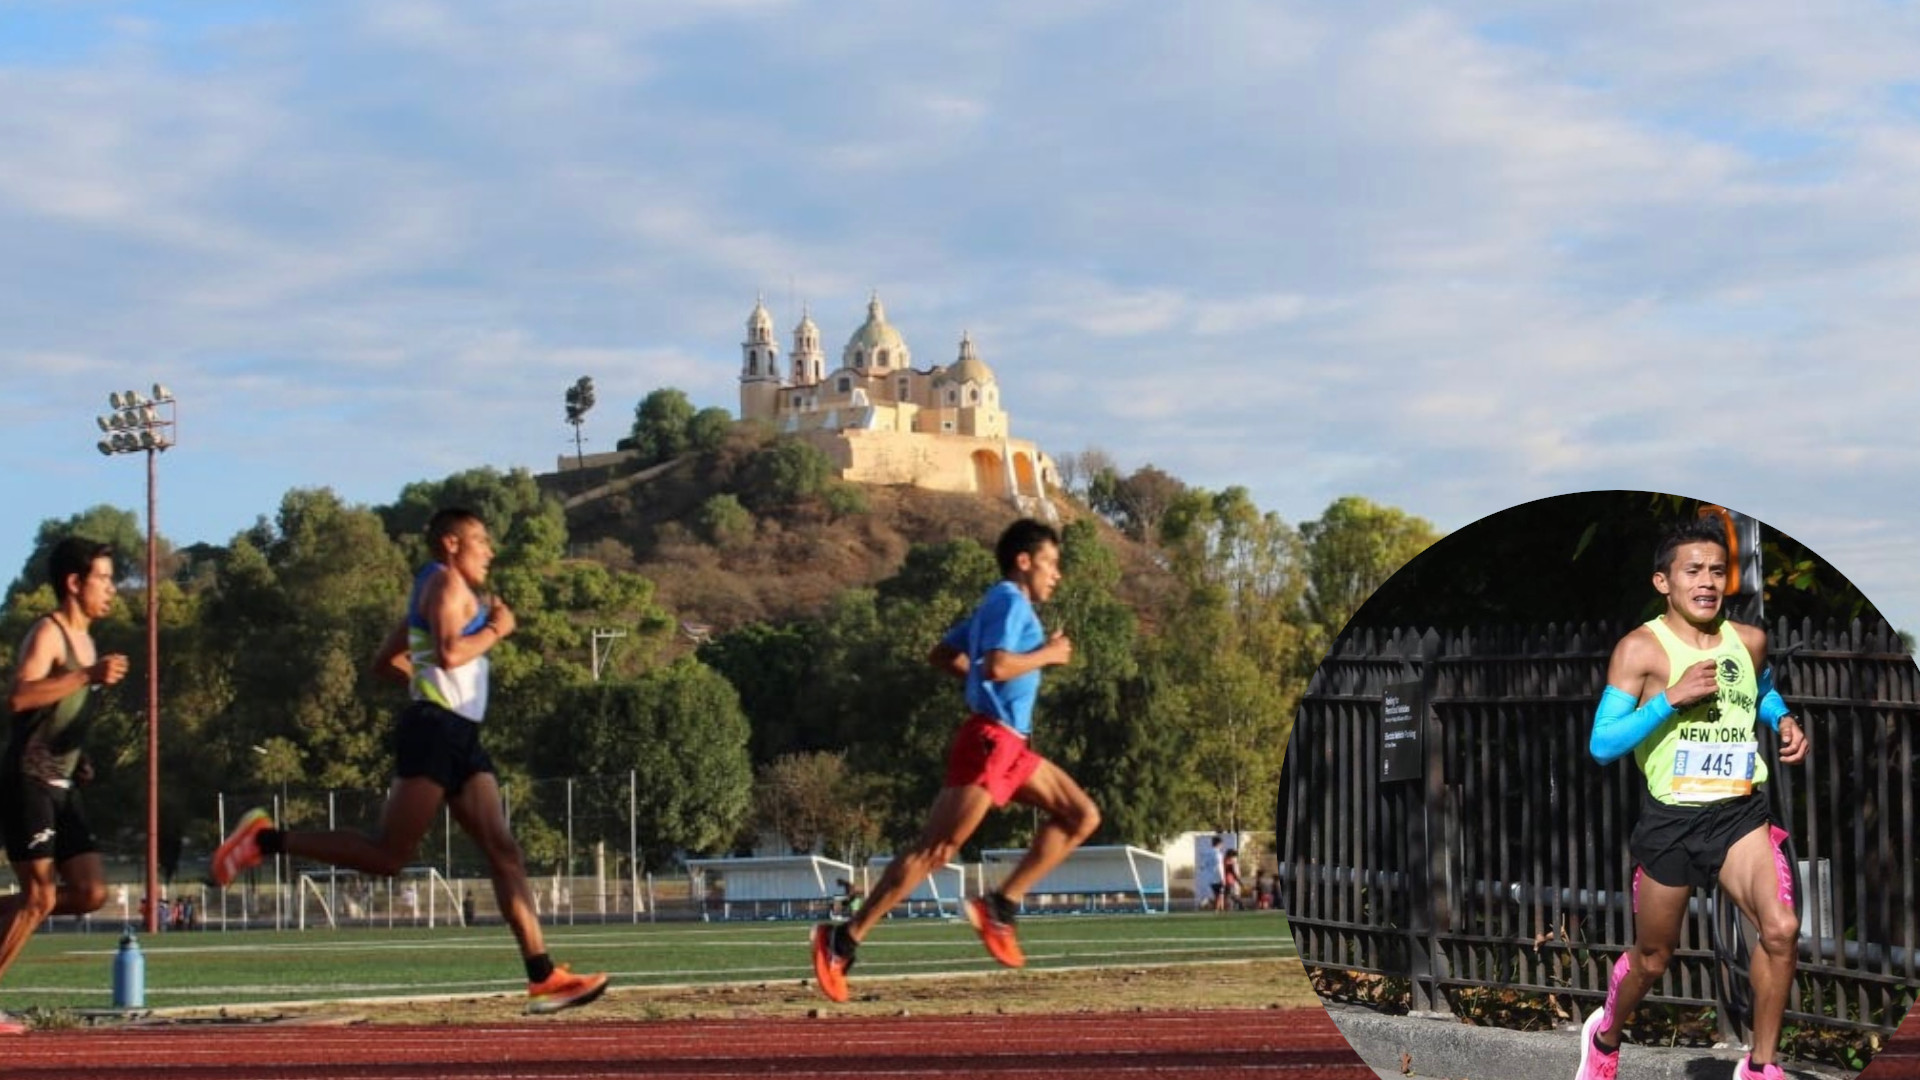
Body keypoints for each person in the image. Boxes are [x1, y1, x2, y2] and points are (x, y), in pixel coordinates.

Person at [211, 508, 608, 1014]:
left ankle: (543, 975)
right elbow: (447, 654)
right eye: (480, 540)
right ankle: (264, 840)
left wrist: (430, 687)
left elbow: (388, 663)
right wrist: (497, 631)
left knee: (504, 851)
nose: (489, 551)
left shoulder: (435, 591)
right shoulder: (444, 586)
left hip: (457, 732)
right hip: (436, 730)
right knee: (388, 856)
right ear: (450, 543)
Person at [810, 518, 1099, 1003]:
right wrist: (1048, 655)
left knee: (1080, 815)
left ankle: (1001, 906)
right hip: (990, 741)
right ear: (1023, 562)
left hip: (1010, 745)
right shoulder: (1008, 599)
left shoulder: (999, 603)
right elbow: (1000, 664)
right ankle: (842, 940)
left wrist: (978, 685)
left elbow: (944, 653)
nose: (1058, 574)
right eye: (1051, 563)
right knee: (933, 852)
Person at [1575, 518, 1808, 1080]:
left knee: (1780, 929)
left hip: (1739, 813)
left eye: (1717, 571)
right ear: (1664, 582)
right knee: (1654, 959)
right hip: (1672, 820)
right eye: (1693, 571)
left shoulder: (1748, 640)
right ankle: (1605, 1038)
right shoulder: (1640, 649)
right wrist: (1668, 701)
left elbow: (1763, 688)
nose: (1707, 581)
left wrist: (1783, 719)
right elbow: (1602, 744)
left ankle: (1760, 1067)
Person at [0, 538, 129, 1034]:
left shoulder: (87, 642)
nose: (112, 589)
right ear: (74, 583)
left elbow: (59, 717)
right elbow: (19, 697)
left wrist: (81, 760)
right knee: (39, 897)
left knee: (90, 891)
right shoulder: (49, 634)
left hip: (62, 784)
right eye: (103, 579)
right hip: (27, 779)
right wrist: (86, 676)